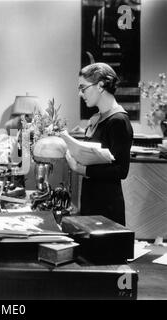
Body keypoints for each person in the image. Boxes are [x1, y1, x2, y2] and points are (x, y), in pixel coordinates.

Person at [65, 62, 133, 225]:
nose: (81, 94)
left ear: (100, 86)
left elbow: (121, 170)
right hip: (91, 200)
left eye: (83, 88)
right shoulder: (97, 118)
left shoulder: (118, 121)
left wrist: (80, 168)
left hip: (107, 207)